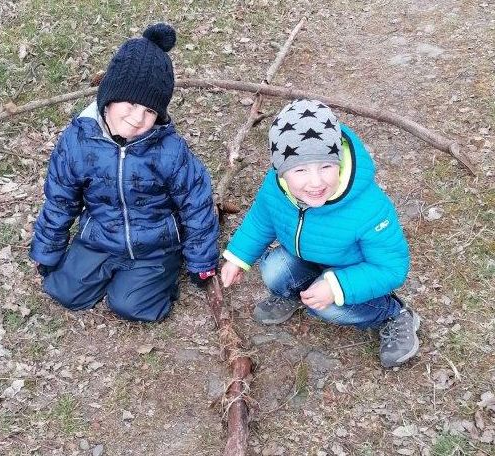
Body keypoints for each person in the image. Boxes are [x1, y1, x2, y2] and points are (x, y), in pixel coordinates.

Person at [29, 23, 219, 322]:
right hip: (99, 238)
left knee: (132, 307)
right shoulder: (77, 142)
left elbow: (196, 203)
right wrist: (47, 252)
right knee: (63, 291)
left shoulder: (169, 148)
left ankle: (162, 276)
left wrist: (201, 262)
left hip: (154, 246)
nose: (137, 118)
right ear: (108, 98)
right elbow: (60, 200)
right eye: (130, 104)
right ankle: (106, 271)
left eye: (150, 111)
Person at [220, 99, 420, 368]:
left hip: (353, 270)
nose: (315, 182)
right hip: (308, 257)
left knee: (328, 306)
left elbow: (391, 267)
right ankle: (300, 292)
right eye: (300, 170)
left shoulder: (368, 207)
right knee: (274, 268)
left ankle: (394, 314)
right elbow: (262, 219)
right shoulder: (276, 187)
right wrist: (238, 257)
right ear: (281, 171)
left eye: (326, 167)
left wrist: (337, 286)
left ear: (339, 162)